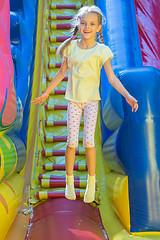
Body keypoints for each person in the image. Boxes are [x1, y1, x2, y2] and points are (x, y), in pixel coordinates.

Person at [31, 5, 138, 203]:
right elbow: (62, 72)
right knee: (72, 142)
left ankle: (91, 180)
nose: (87, 27)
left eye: (91, 24)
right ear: (78, 25)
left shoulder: (102, 51)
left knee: (88, 142)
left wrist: (127, 95)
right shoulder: (70, 47)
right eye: (83, 23)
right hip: (73, 100)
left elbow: (112, 79)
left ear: (99, 28)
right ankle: (69, 181)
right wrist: (46, 92)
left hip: (91, 102)